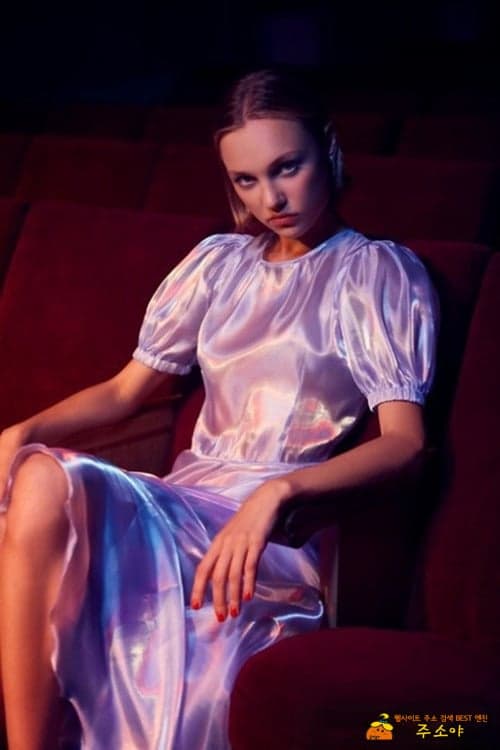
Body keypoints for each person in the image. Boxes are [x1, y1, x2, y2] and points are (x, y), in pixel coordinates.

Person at [0, 69, 438, 749]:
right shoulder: (219, 263)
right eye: (246, 180)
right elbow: (124, 391)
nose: (272, 198)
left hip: (275, 527)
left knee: (49, 492)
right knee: (38, 473)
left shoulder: (375, 272)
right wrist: (22, 428)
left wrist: (279, 491)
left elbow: (405, 443)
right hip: (185, 504)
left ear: (328, 148)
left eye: (287, 167)